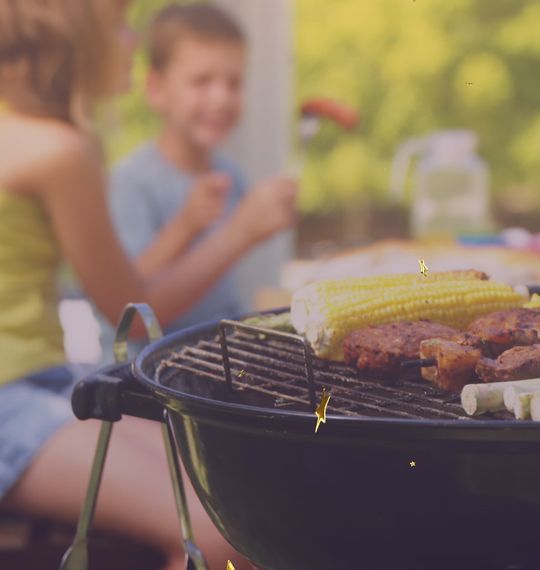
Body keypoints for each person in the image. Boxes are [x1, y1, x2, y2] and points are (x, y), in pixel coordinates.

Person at [0, 0, 296, 568]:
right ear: (76, 35)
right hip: (14, 402)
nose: (132, 41)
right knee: (230, 527)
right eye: (119, 24)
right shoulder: (60, 151)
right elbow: (131, 314)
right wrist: (237, 233)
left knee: (225, 480)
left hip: (46, 382)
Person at [96, 3, 296, 352]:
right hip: (144, 381)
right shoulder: (131, 183)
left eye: (234, 83)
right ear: (157, 89)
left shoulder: (230, 176)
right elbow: (130, 307)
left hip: (214, 364)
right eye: (201, 81)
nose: (220, 97)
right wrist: (212, 230)